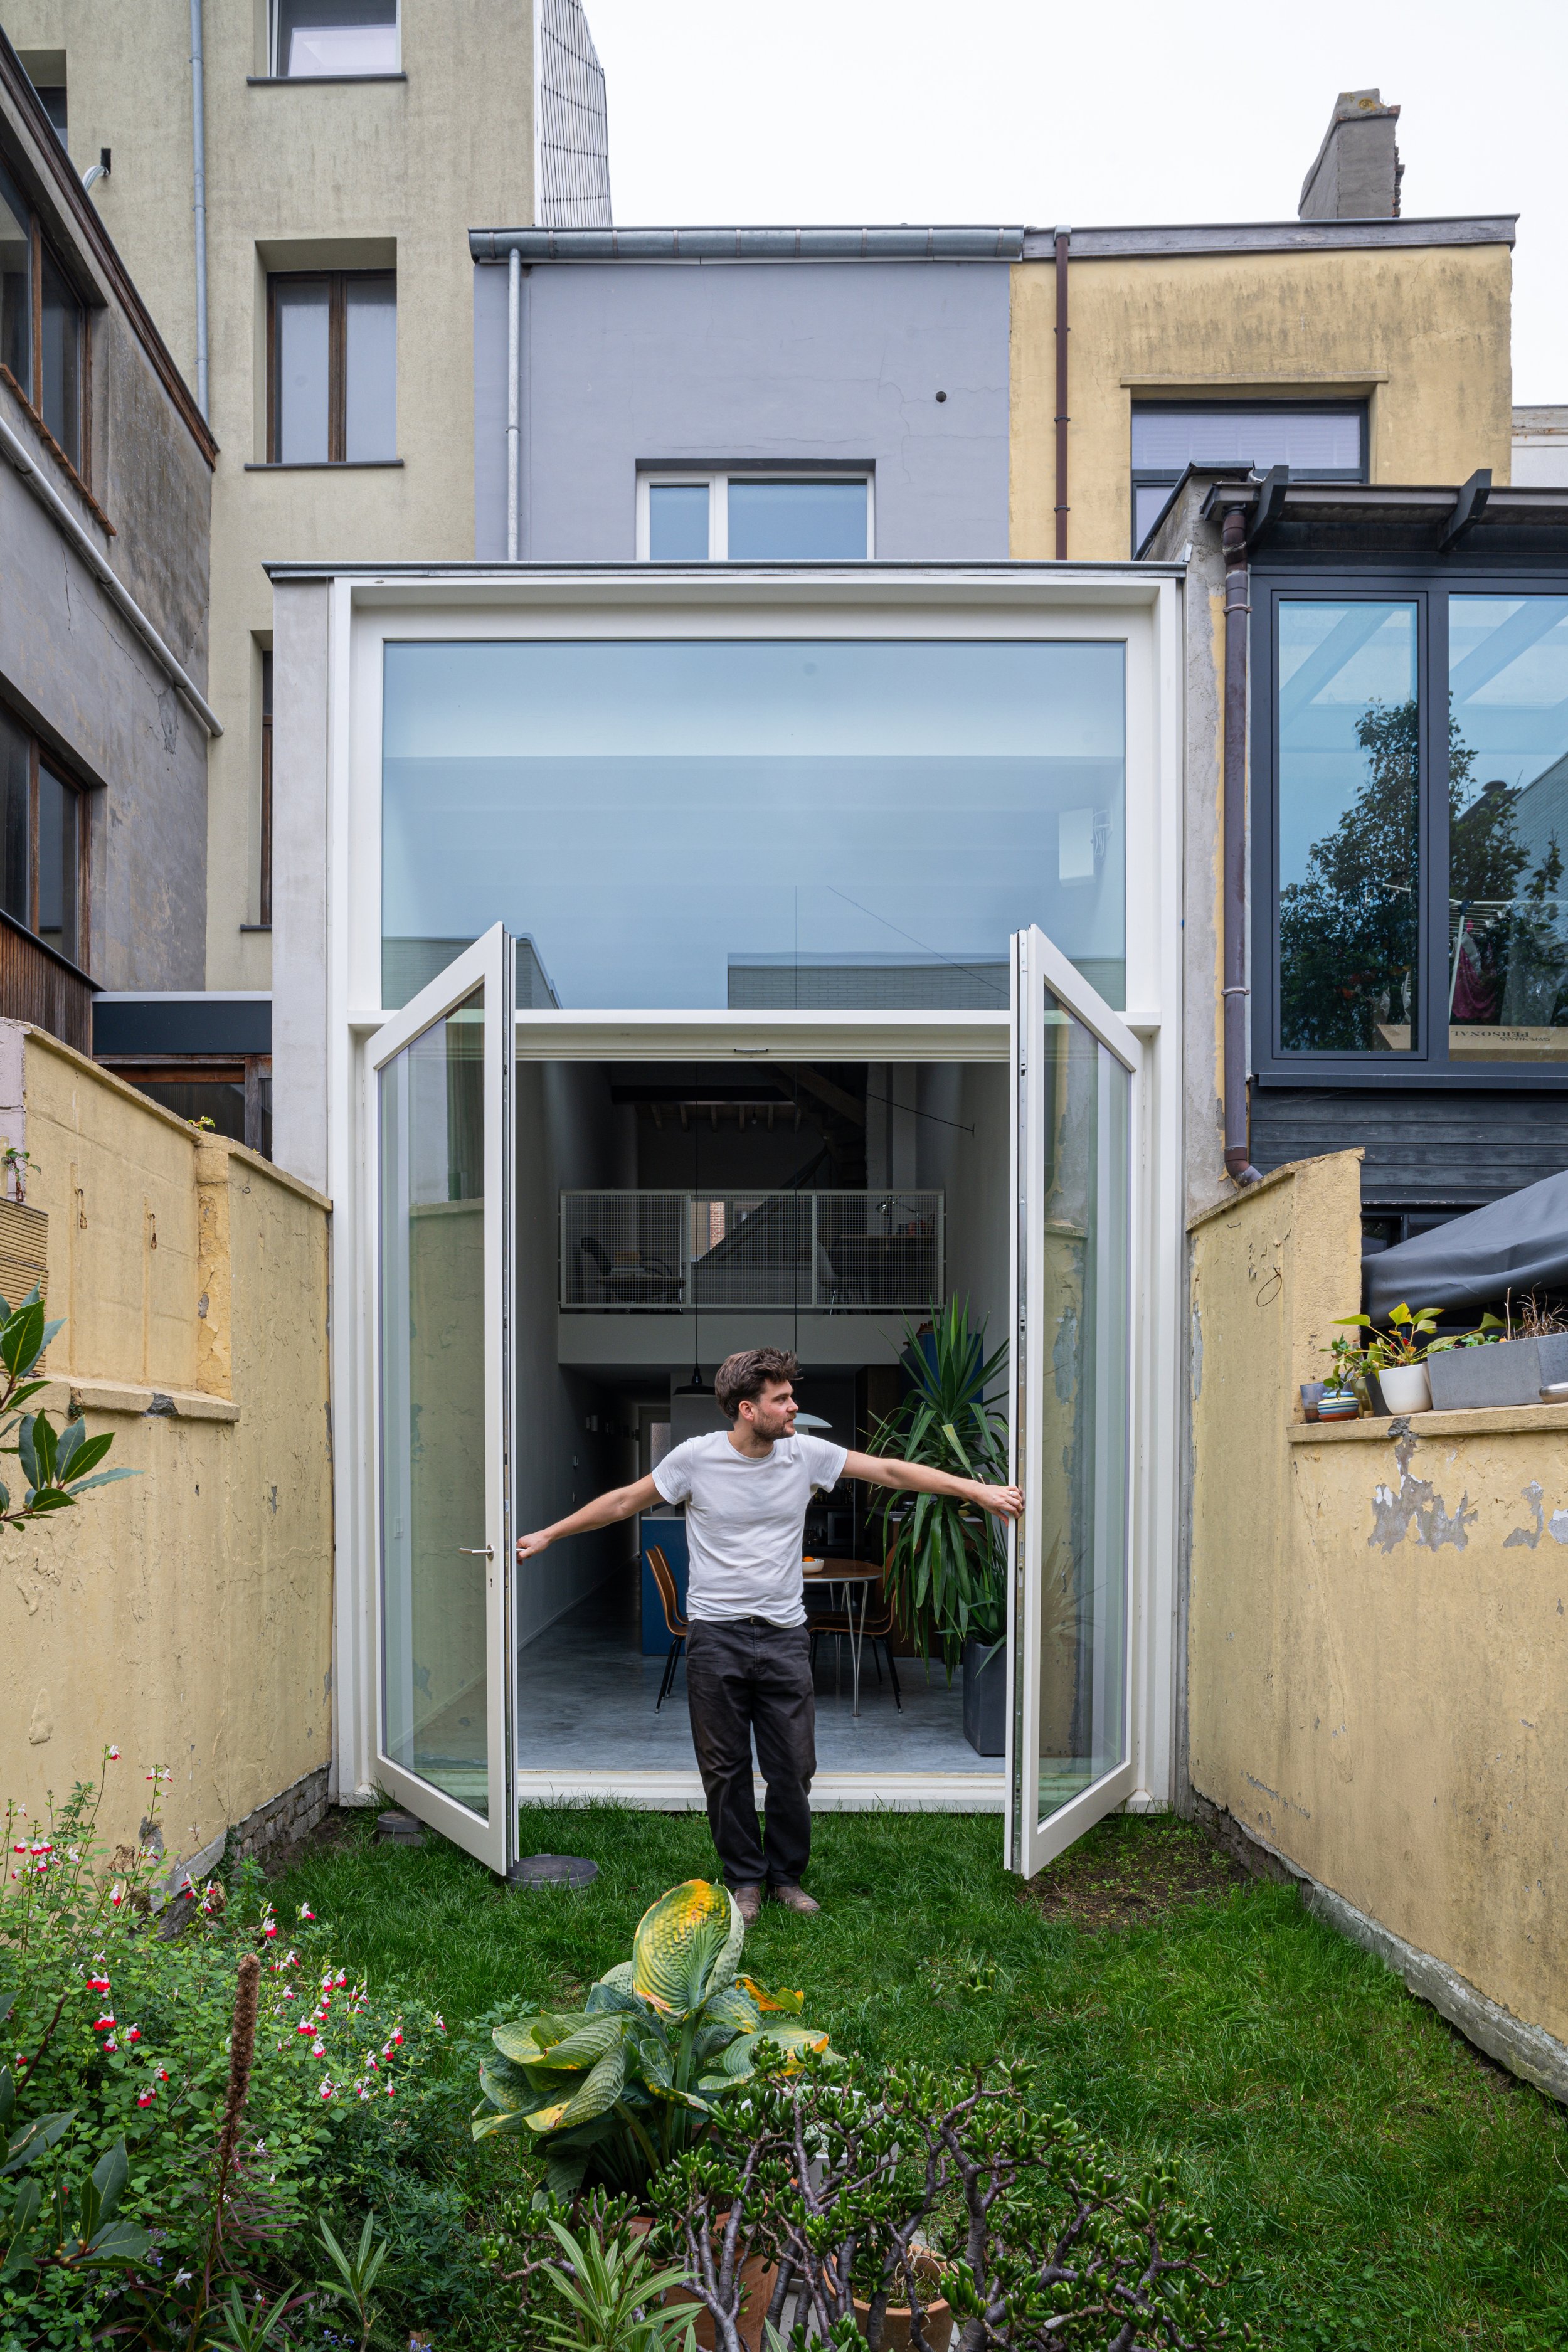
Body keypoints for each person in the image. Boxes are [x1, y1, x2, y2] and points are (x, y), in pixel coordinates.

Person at [515, 1345, 1024, 1921]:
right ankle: (744, 1880)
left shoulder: (805, 1455)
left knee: (793, 1767)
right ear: (746, 1410)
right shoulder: (695, 1459)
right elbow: (625, 1501)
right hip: (715, 1637)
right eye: (781, 1399)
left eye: (790, 1396)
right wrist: (549, 1535)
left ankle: (786, 1877)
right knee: (724, 1769)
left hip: (784, 1635)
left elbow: (887, 1470)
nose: (793, 1407)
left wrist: (975, 1489)